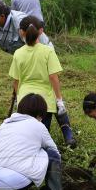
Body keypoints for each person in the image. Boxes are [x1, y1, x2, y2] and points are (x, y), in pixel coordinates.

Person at [0, 93, 62, 190]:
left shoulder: (5, 124)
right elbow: (55, 153)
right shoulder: (38, 126)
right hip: (14, 181)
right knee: (51, 154)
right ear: (40, 114)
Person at [9, 16, 76, 147]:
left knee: (26, 136)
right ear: (40, 31)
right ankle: (66, 138)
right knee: (42, 134)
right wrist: (59, 100)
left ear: (21, 32)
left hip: (25, 100)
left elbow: (16, 81)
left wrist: (18, 98)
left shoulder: (18, 53)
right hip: (44, 101)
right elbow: (53, 78)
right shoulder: (48, 51)